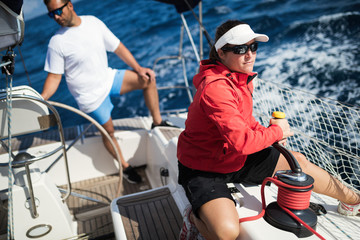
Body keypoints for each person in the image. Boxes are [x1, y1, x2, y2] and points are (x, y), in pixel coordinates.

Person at [177, 20, 360, 240]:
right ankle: (193, 218)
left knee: (298, 161)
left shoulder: (240, 79)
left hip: (234, 157)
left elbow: (246, 122)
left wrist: (268, 134)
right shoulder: (216, 88)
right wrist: (277, 132)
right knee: (226, 233)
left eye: (253, 47)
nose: (249, 54)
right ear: (221, 54)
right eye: (240, 49)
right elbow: (243, 142)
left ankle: (354, 201)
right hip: (203, 168)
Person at [42, 0, 175, 184]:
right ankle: (124, 166)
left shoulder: (93, 22)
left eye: (58, 11)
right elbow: (54, 78)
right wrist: (42, 98)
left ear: (70, 5)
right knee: (109, 133)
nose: (56, 16)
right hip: (89, 96)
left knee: (147, 80)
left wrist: (138, 68)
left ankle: (157, 123)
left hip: (108, 79)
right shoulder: (56, 43)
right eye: (51, 14)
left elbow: (118, 47)